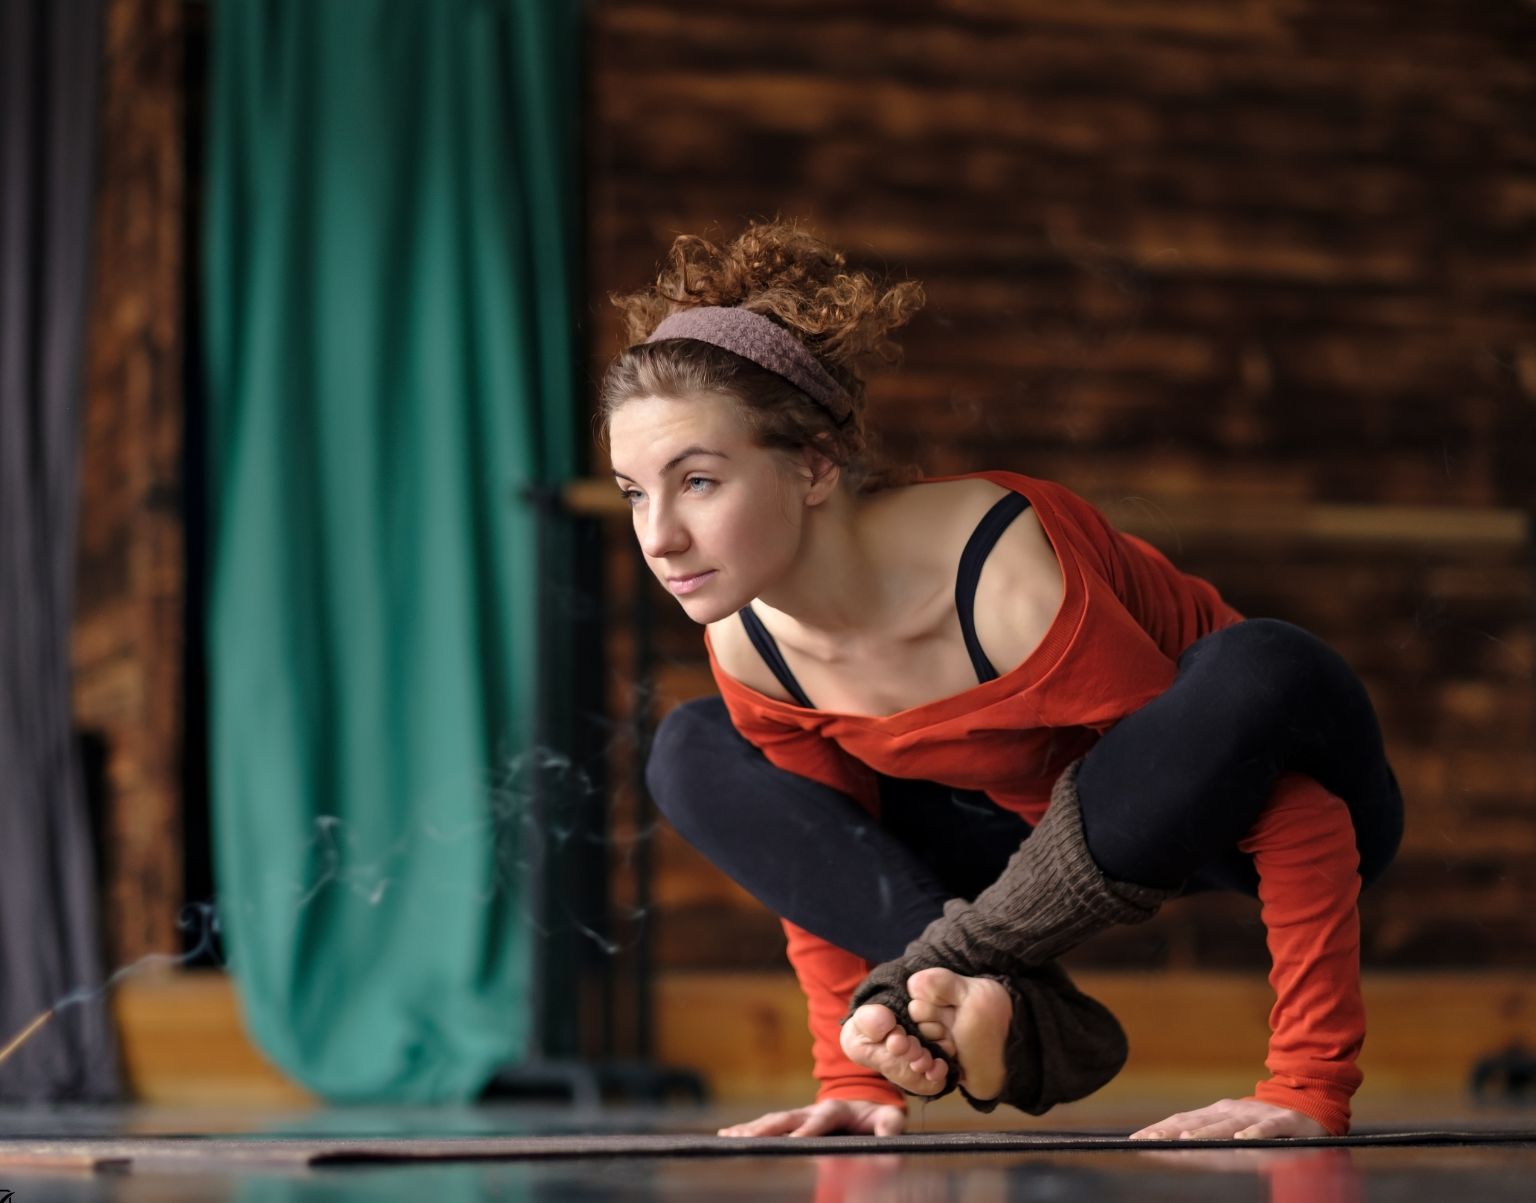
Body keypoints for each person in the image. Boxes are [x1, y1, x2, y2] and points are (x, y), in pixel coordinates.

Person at [600, 217, 1403, 1140]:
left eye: (698, 481)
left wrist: (1307, 1082)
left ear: (816, 465)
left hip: (1229, 794)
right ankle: (1018, 1015)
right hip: (1007, 848)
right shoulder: (748, 642)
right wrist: (855, 1079)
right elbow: (826, 863)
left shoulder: (1002, 580)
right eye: (635, 492)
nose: (658, 536)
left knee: (1260, 663)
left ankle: (970, 964)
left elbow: (1291, 808)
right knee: (691, 748)